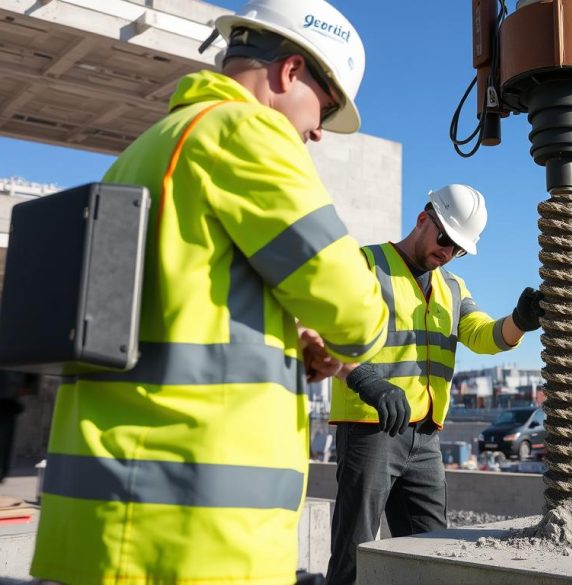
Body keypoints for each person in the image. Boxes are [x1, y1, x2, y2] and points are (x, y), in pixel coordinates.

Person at [29, 1, 389, 583]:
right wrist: (343, 334)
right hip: (192, 535)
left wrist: (288, 339)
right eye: (323, 108)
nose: (318, 131)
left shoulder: (145, 151)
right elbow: (357, 315)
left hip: (103, 524)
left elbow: (170, 315)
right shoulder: (245, 131)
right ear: (290, 71)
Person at [322, 184, 544, 585]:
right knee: (353, 554)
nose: (448, 253)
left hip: (425, 440)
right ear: (423, 219)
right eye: (445, 239)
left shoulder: (454, 289)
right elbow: (325, 327)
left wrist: (519, 322)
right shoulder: (365, 263)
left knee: (430, 554)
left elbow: (482, 335)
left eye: (458, 249)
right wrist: (367, 379)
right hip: (371, 431)